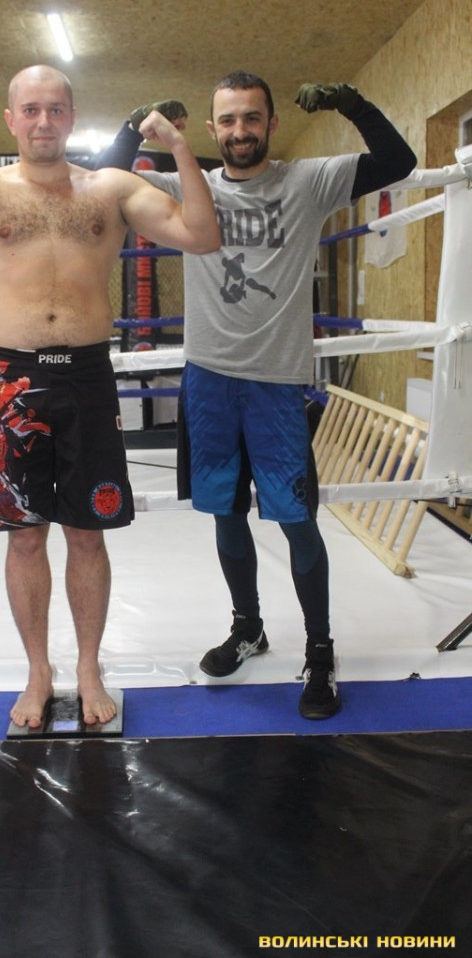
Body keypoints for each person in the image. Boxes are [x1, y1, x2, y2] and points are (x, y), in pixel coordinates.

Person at [0, 67, 220, 729]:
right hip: (12, 380)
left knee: (88, 535)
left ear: (72, 117)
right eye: (31, 109)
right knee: (24, 539)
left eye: (55, 109)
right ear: (11, 119)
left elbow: (201, 234)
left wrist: (178, 148)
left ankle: (88, 668)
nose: (44, 120)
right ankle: (38, 672)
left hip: (86, 378)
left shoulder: (109, 188)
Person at [96, 73, 416, 719]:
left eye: (251, 118)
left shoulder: (308, 182)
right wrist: (134, 127)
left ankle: (320, 651)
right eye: (228, 120)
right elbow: (101, 183)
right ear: (211, 130)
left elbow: (398, 161)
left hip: (276, 384)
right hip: (209, 381)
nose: (240, 131)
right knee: (225, 512)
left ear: (271, 124)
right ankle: (248, 627)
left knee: (296, 520)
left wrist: (351, 104)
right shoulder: (190, 186)